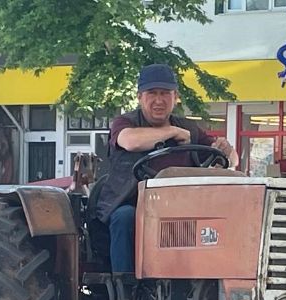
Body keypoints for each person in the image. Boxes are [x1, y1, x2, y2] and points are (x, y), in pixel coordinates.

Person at [96, 63, 238, 275]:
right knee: (124, 218)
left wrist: (226, 151)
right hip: (132, 202)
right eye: (152, 93)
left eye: (165, 93)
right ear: (139, 96)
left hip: (181, 206)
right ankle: (124, 289)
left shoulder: (189, 128)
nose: (159, 100)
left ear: (175, 97)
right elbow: (130, 141)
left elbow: (228, 159)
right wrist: (170, 132)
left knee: (215, 224)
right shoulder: (125, 122)